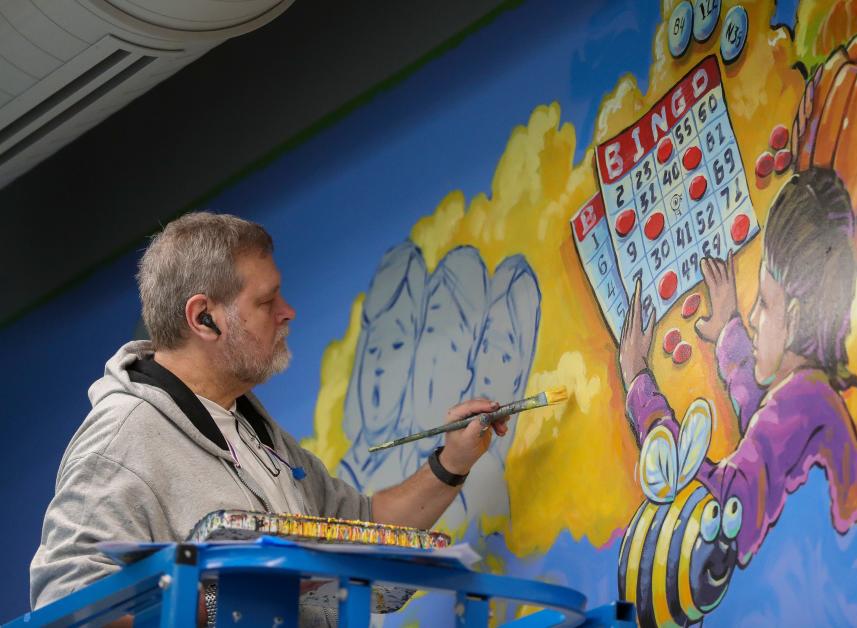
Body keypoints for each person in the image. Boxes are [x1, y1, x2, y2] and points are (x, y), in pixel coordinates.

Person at [29, 212, 508, 623]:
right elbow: (67, 604)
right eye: (266, 301)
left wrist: (453, 461)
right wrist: (237, 598)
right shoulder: (122, 439)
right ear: (203, 319)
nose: (288, 312)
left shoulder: (252, 428)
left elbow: (364, 527)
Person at [618, 167, 857, 566]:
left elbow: (713, 510)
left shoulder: (800, 405)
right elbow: (767, 449)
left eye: (764, 304)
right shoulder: (811, 399)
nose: (754, 317)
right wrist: (728, 332)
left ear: (792, 315)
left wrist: (639, 385)